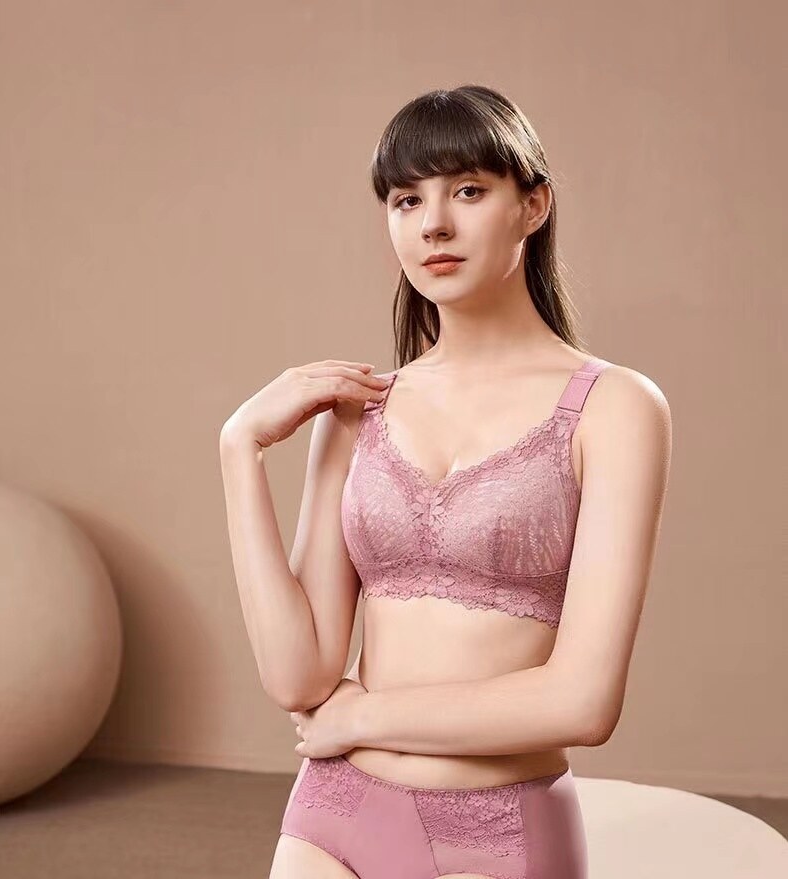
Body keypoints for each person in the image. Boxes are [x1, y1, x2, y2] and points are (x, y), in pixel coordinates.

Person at [219, 84, 672, 879]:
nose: (432, 223)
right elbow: (300, 674)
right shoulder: (359, 408)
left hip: (495, 827)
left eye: (467, 191)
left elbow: (584, 701)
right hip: (333, 811)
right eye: (406, 200)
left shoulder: (614, 407)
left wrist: (366, 715)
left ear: (533, 205)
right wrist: (239, 450)